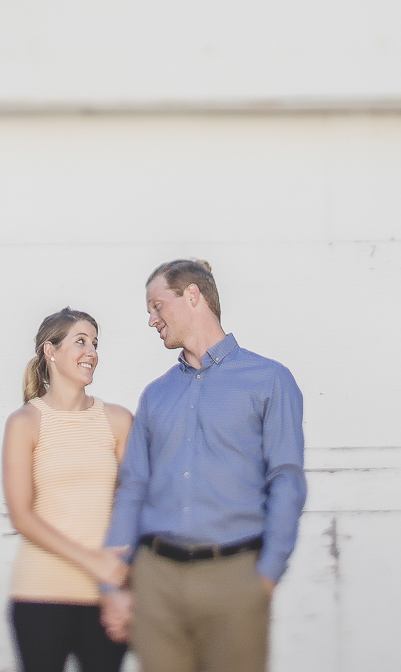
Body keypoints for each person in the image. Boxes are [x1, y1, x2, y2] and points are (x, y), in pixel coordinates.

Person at [100, 260, 306, 672]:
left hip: (235, 578)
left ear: (192, 296)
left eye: (157, 306)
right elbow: (133, 490)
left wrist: (265, 574)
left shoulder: (269, 380)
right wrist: (111, 584)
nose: (151, 319)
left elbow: (286, 480)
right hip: (156, 583)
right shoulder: (155, 396)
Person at [3, 307, 136, 672]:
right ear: (50, 350)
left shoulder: (119, 420)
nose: (91, 351)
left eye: (95, 343)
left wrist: (126, 583)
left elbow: (134, 504)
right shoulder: (24, 422)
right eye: (80, 341)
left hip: (106, 597)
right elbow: (21, 516)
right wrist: (94, 562)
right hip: (39, 595)